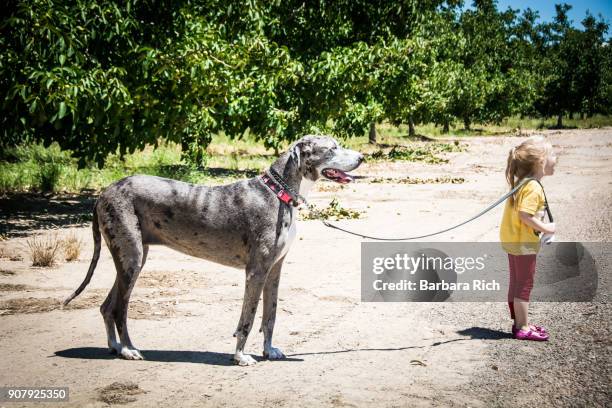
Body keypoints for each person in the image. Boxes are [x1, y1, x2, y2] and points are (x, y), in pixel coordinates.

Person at [499, 136, 557, 341]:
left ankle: (519, 323)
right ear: (540, 162)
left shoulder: (523, 183)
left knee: (516, 282)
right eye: (552, 154)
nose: (556, 158)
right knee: (524, 284)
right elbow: (525, 215)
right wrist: (547, 228)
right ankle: (522, 327)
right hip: (523, 244)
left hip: (513, 241)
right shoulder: (533, 187)